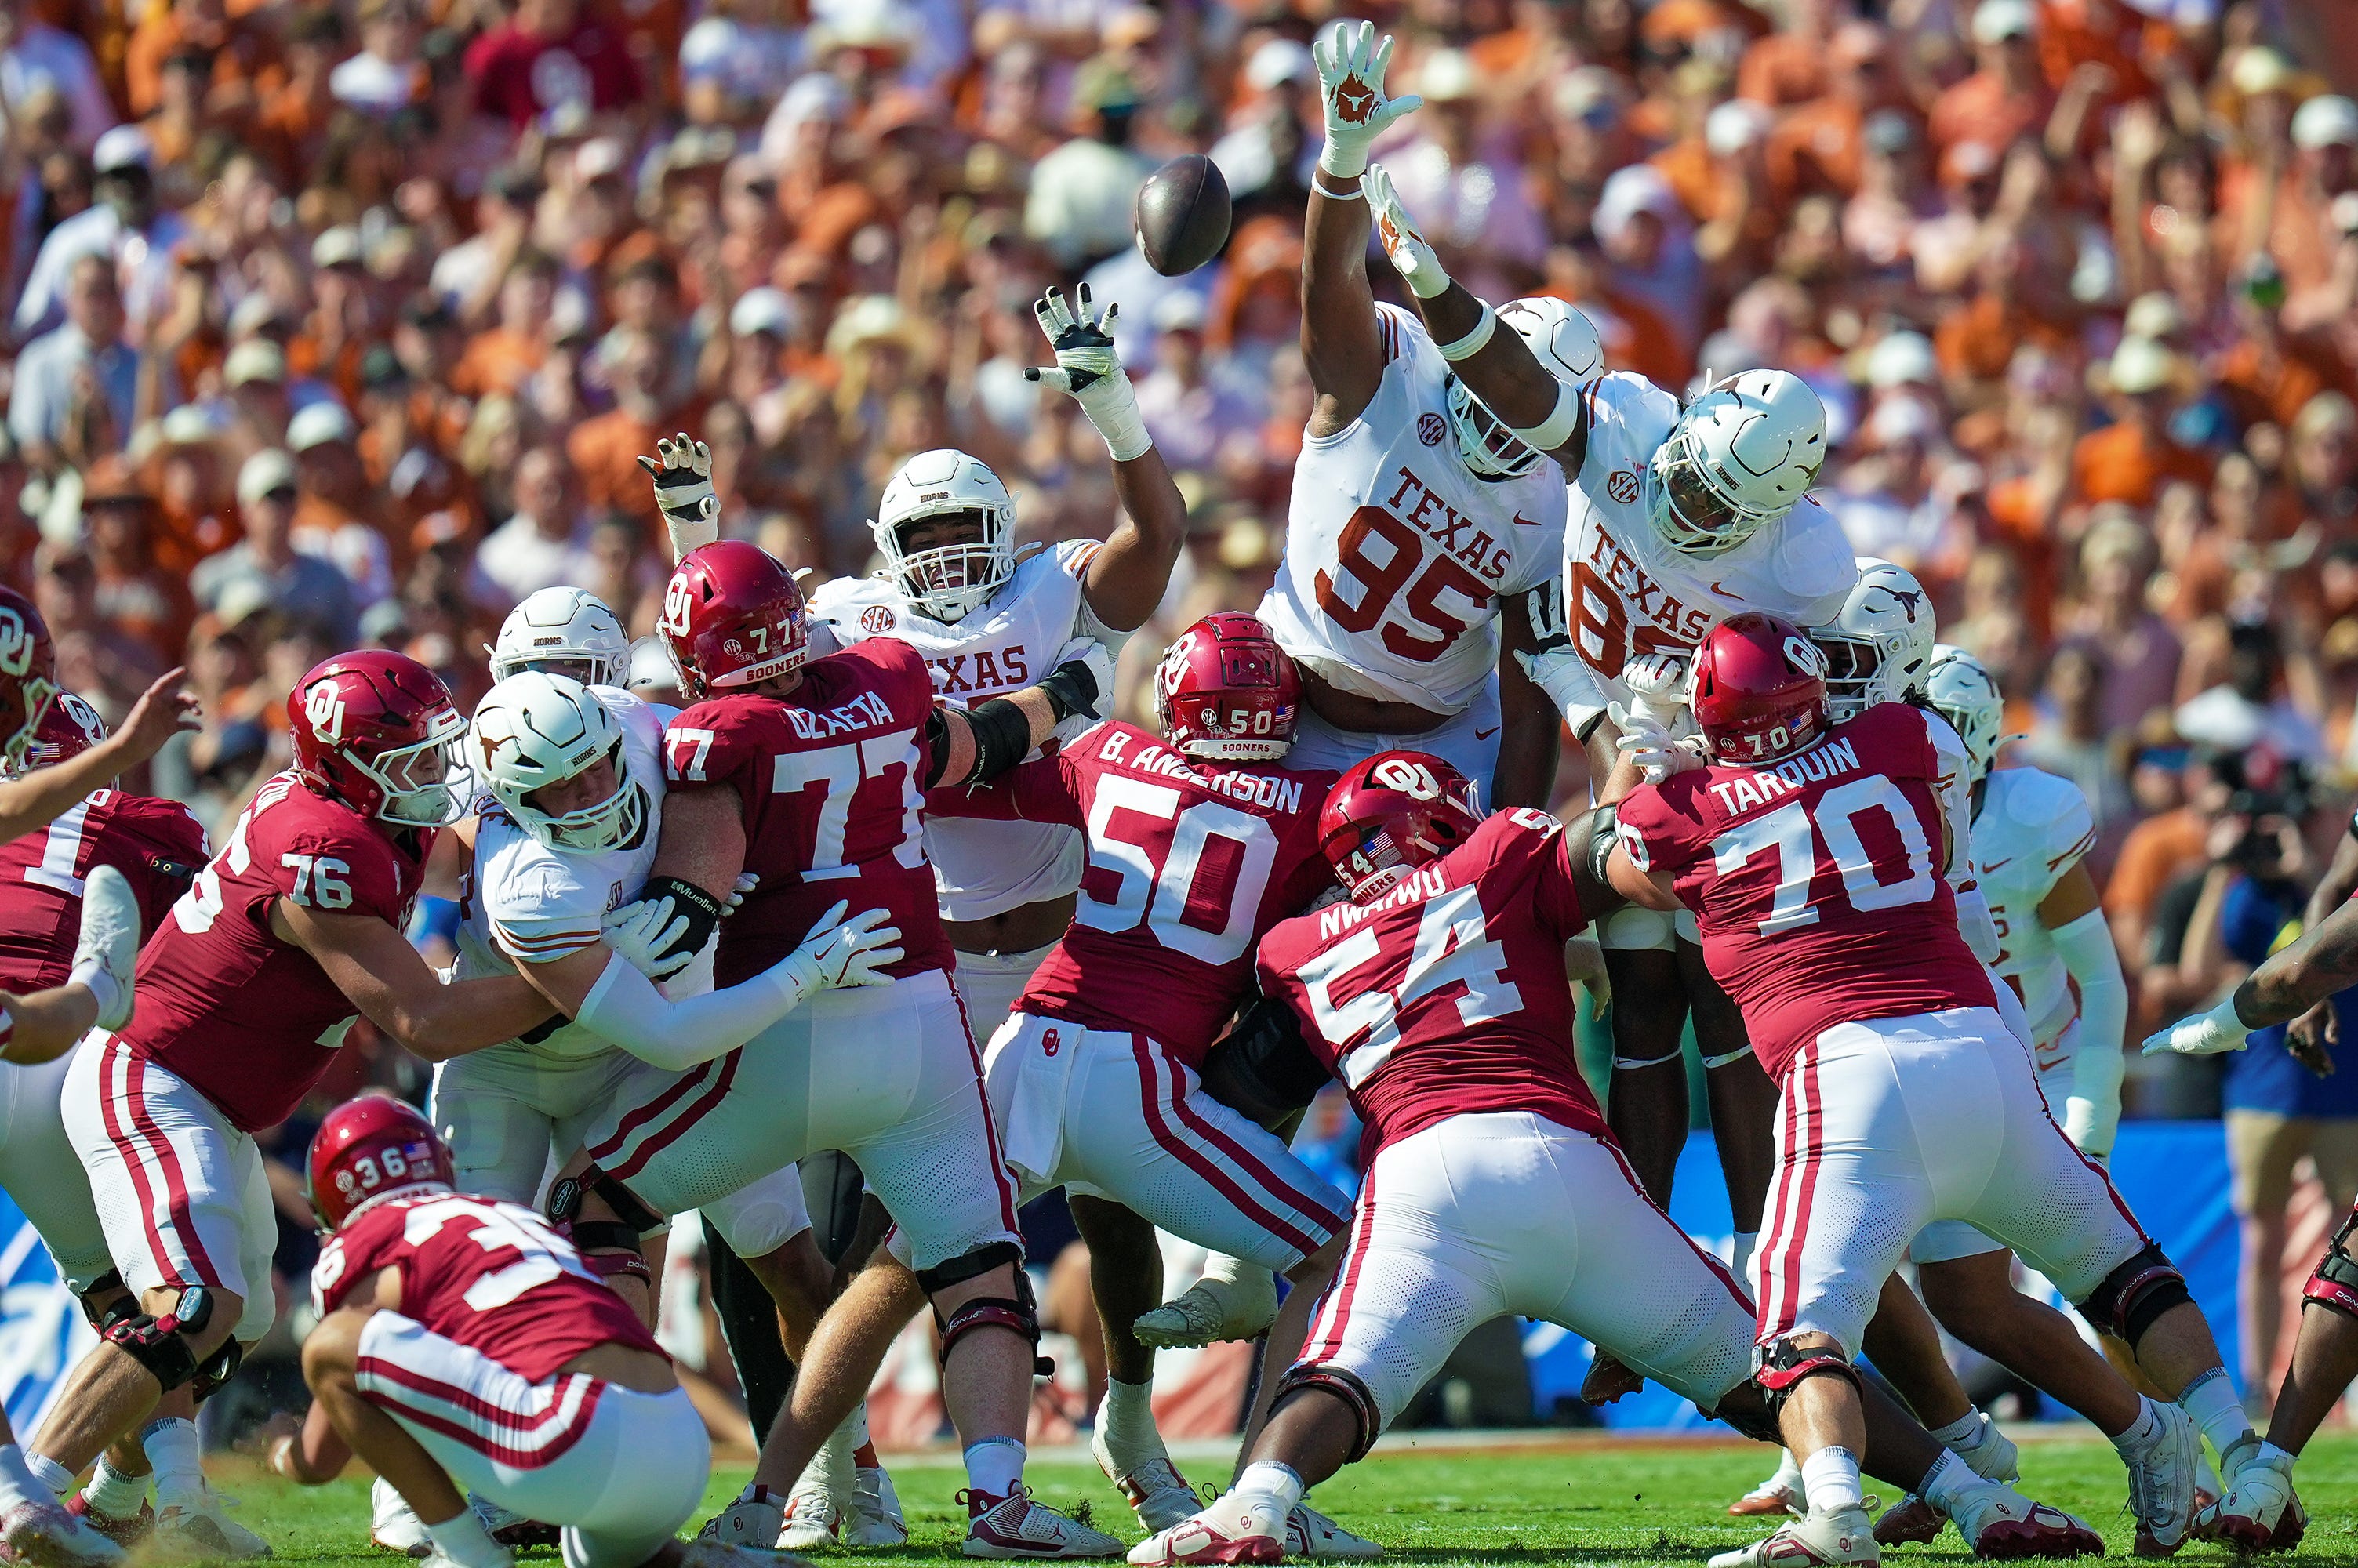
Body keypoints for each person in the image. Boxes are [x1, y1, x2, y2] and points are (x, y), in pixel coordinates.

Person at [1132, 751, 2098, 1566]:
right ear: (1438, 821)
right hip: (1564, 1163)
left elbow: (1245, 1086)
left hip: (1424, 1178)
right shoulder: (1498, 853)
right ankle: (1975, 1497)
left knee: (1339, 1374)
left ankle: (1253, 1503)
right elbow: (1624, 849)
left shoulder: (1295, 946)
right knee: (1771, 1365)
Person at [1604, 613, 2265, 1566]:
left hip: (1849, 1074)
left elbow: (1618, 864)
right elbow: (1890, 743)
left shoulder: (1692, 807)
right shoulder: (1897, 739)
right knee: (2120, 1269)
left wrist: (1642, 748)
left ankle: (1834, 1509)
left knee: (1797, 1327)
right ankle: (2203, 1442)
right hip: (1980, 1046)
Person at [1360, 131, 1857, 1330]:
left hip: (1691, 766)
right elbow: (1525, 392)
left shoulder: (1802, 564)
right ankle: (1634, 1270)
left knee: (1713, 1005)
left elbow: (1828, 691)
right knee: (1626, 1005)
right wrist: (1431, 289)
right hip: (1574, 699)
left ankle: (1750, 1263)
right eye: (1685, 481)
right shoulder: (1630, 432)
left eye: (1714, 506)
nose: (1685, 510)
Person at [543, 539, 1125, 1557]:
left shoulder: (715, 733)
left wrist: (671, 903)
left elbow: (702, 855)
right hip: (920, 1021)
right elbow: (976, 744)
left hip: (784, 1027)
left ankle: (613, 1440)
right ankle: (998, 1502)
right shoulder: (892, 675)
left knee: (595, 1204)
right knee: (981, 1266)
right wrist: (1068, 690)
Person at [24, 650, 561, 1557]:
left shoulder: (353, 811)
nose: (438, 776)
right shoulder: (324, 848)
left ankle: (121, 1500)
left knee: (245, 1314)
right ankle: (26, 1495)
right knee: (193, 1303)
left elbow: (452, 851)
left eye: (439, 752)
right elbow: (420, 1017)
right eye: (416, 761)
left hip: (208, 1098)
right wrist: (581, 978)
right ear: (354, 767)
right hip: (153, 1076)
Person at [924, 612, 1364, 1549]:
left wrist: (1040, 707)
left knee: (900, 1265)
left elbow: (967, 778)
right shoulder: (1313, 800)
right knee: (1344, 1252)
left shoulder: (1111, 752)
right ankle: (1259, 1492)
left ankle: (804, 1478)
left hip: (1025, 1020)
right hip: (1136, 1065)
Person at [1258, 24, 1575, 808]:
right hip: (1287, 702)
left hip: (1439, 738)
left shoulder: (1549, 500)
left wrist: (1513, 830)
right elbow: (1328, 279)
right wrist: (1340, 161)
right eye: (1496, 390)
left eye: (1524, 408)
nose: (1504, 420)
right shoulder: (1393, 366)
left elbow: (1531, 691)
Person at [271, 1097, 759, 1568]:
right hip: (679, 1448)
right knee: (607, 1556)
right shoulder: (507, 1219)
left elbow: (323, 1443)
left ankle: (465, 1553)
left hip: (572, 1436)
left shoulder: (370, 1240)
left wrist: (283, 1456)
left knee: (328, 1345)